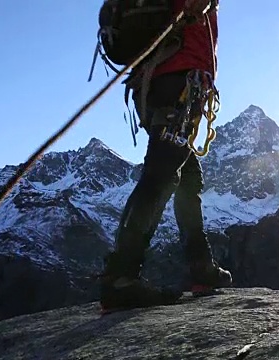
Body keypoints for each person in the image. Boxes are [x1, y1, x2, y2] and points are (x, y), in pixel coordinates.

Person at [98, 0, 232, 313]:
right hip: (180, 78)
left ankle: (201, 266)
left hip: (156, 80)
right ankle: (121, 276)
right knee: (162, 174)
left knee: (185, 174)